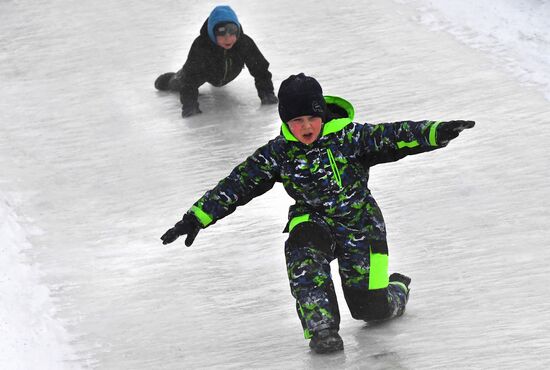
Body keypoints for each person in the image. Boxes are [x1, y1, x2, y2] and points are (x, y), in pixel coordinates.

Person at [160, 73, 475, 353]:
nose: (305, 126)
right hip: (314, 220)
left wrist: (437, 132)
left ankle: (397, 289)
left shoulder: (349, 139)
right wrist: (196, 217)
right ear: (286, 122)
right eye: (296, 121)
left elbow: (393, 135)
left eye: (311, 118)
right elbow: (239, 182)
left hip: (361, 226)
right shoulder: (279, 153)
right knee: (302, 251)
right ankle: (322, 330)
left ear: (322, 115)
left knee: (370, 311)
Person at [154, 5, 278, 118]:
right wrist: (190, 107)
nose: (227, 38)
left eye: (232, 31)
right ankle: (171, 79)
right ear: (212, 32)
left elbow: (261, 70)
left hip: (231, 70)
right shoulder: (201, 46)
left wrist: (267, 94)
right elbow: (189, 80)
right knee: (182, 79)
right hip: (206, 72)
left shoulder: (244, 43)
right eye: (221, 32)